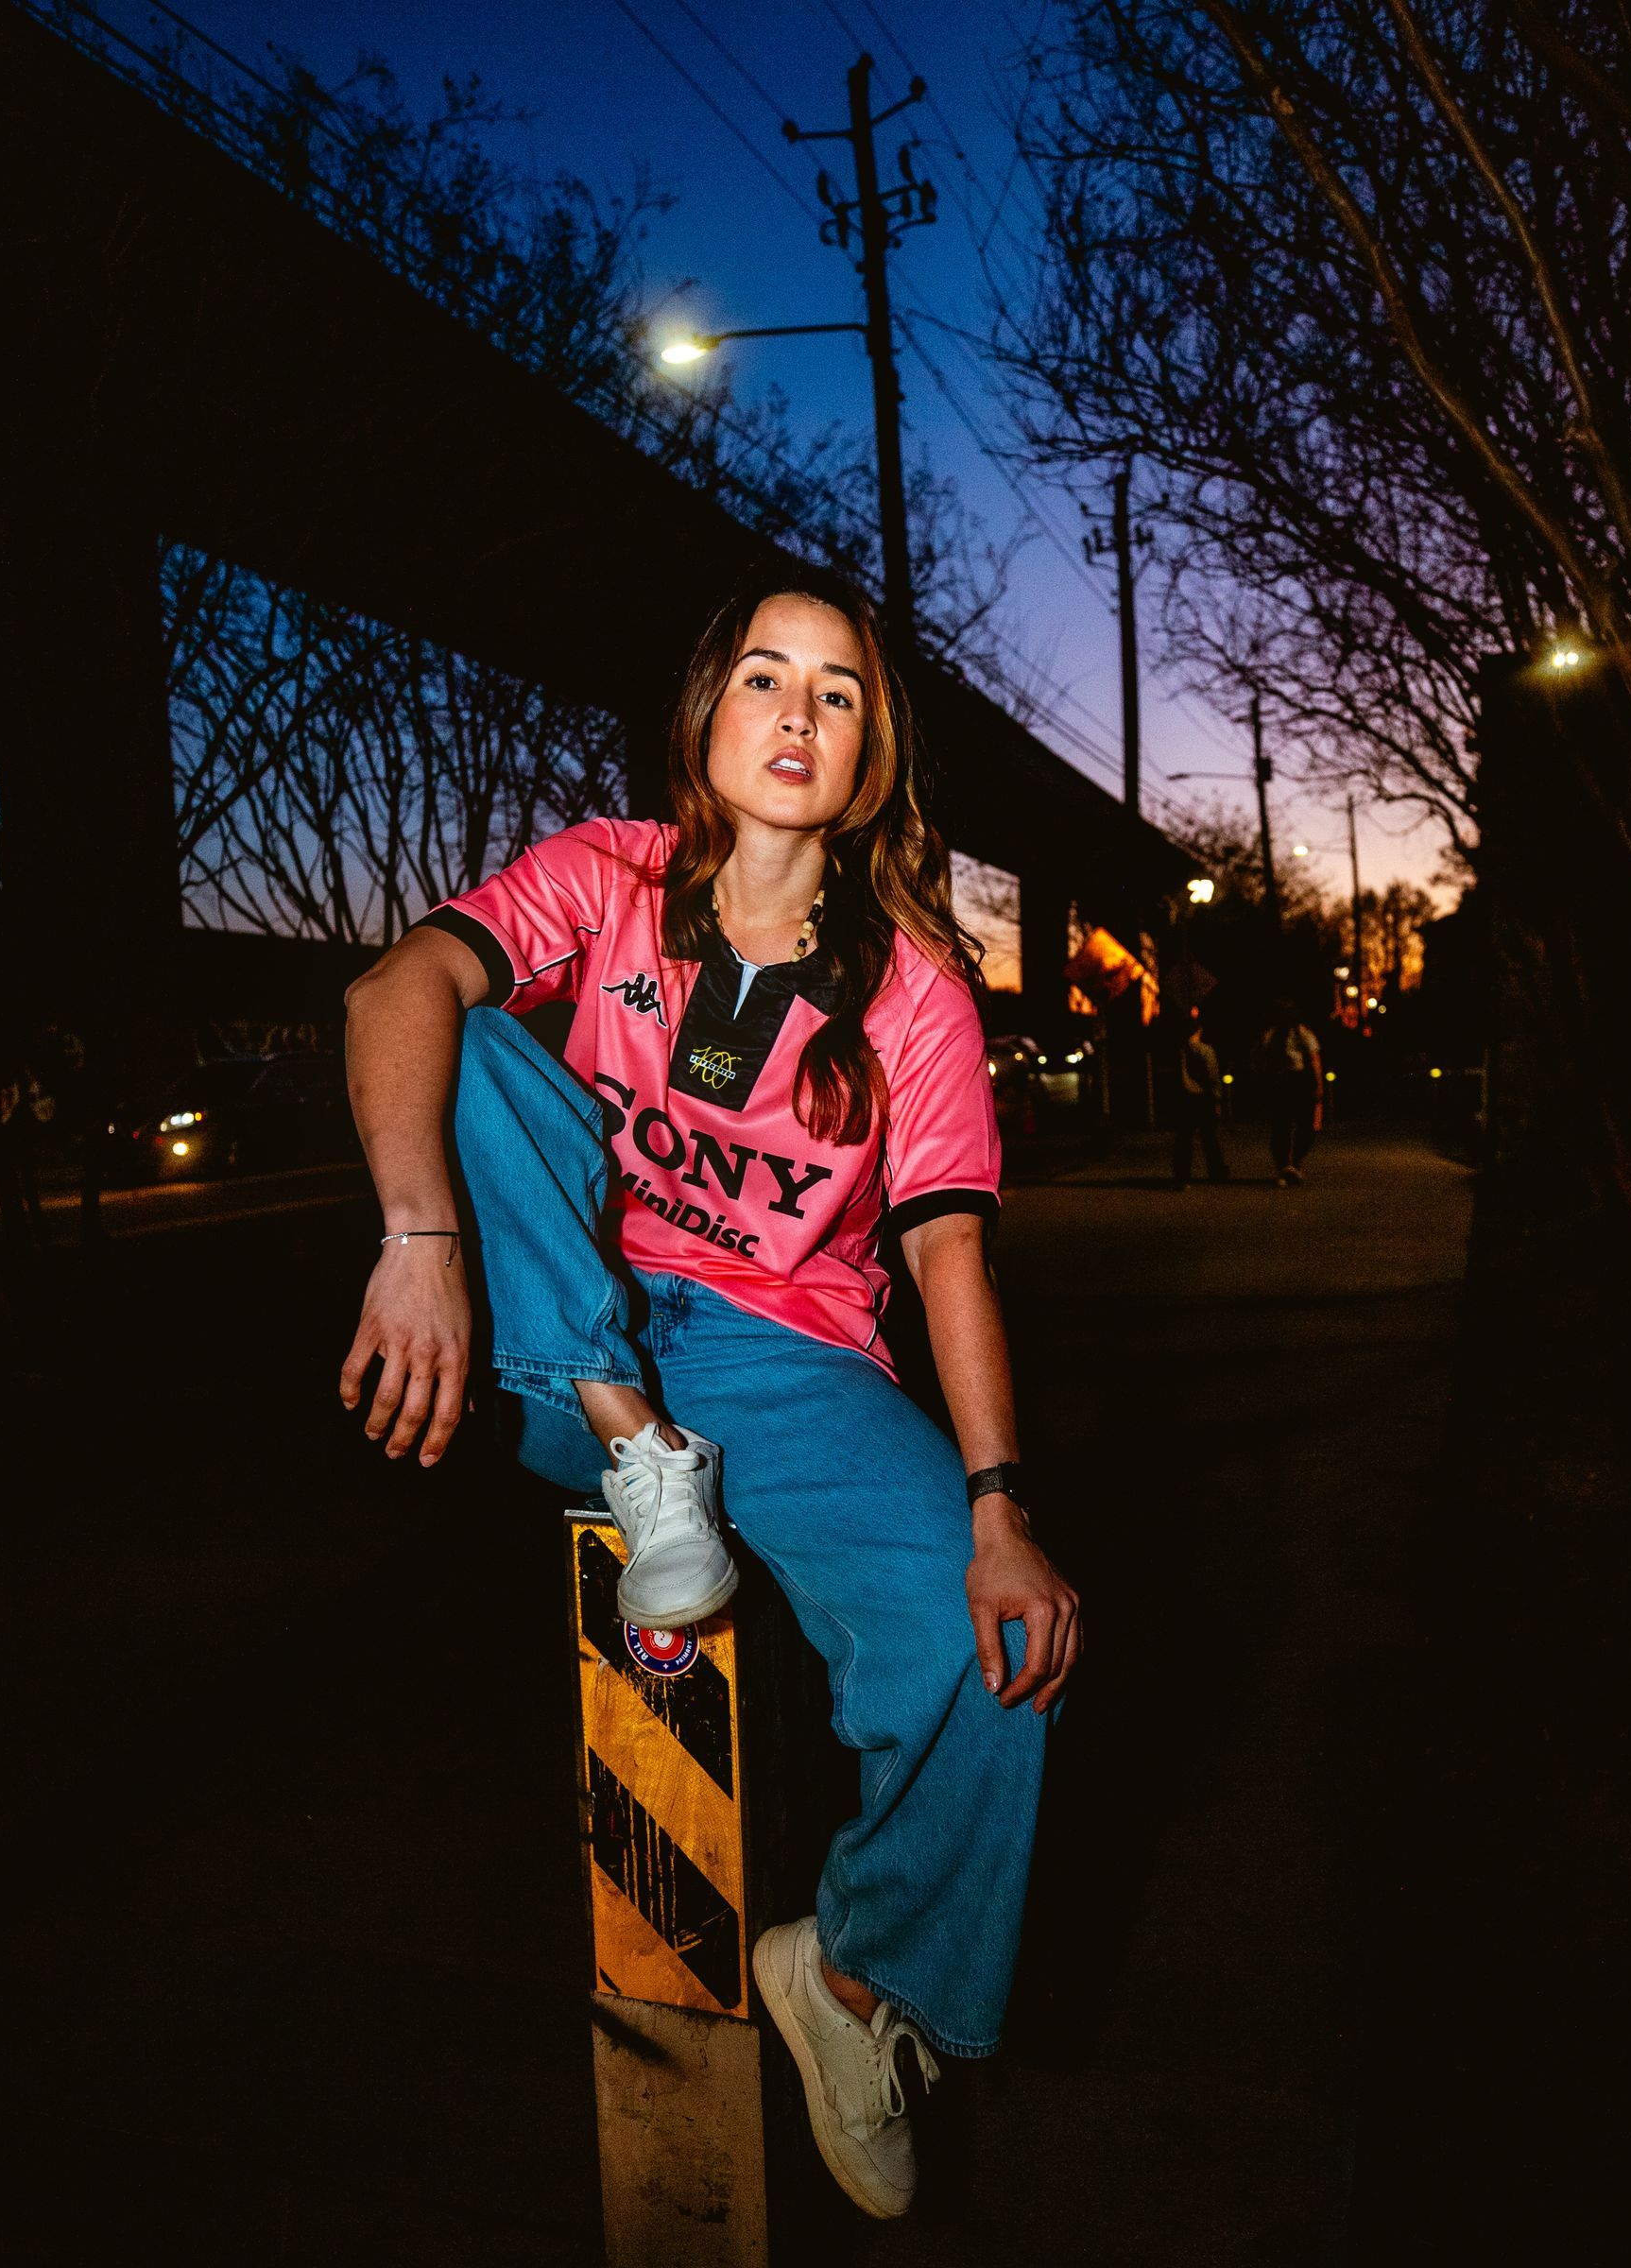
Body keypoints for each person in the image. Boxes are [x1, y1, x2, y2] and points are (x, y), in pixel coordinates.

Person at [337, 567, 1080, 2220]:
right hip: (559, 1315)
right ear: (707, 714)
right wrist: (418, 1242)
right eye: (765, 675)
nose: (798, 713)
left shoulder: (913, 995)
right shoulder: (604, 877)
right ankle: (635, 1447)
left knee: (992, 1649)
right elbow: (390, 993)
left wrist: (999, 1511)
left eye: (837, 691)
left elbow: (948, 1254)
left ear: (871, 752)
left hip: (786, 1356)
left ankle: (864, 1980)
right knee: (461, 1028)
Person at [1259, 997, 1324, 1186]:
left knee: (1306, 1126)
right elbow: (1262, 1059)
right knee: (1281, 1126)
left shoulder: (1302, 1033)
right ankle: (1284, 1166)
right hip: (1280, 1081)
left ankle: (1295, 1162)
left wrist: (1318, 1084)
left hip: (1299, 1080)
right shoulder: (1270, 1035)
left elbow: (1314, 1059)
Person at [1172, 1006, 1230, 1189]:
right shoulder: (1205, 1050)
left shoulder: (1178, 1051)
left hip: (1183, 1098)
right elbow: (1212, 1076)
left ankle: (1182, 1176)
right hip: (1203, 1097)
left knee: (1184, 1138)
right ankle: (1217, 1172)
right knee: (1209, 1138)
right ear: (1199, 1030)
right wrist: (1217, 1098)